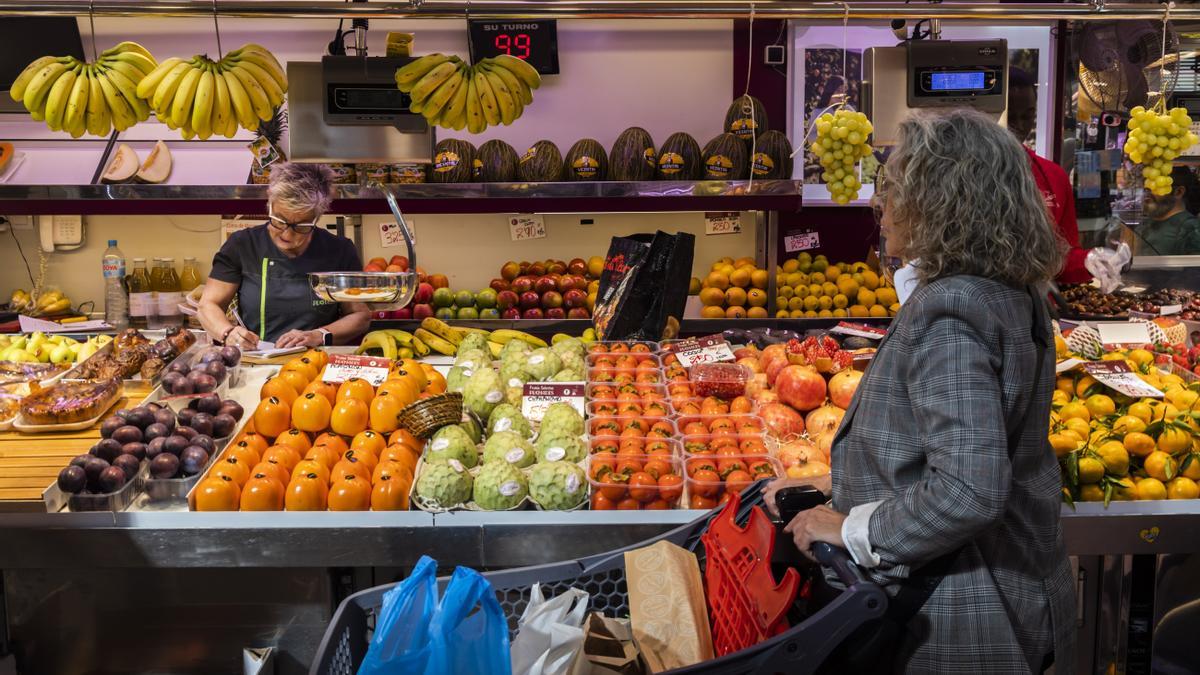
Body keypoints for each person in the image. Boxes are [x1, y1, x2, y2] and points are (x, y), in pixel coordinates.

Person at [767, 108, 1076, 673]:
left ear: (943, 201)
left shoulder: (953, 310)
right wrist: (840, 478)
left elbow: (967, 491)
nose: (879, 205)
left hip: (963, 610)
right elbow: (979, 440)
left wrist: (850, 525)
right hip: (1021, 581)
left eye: (896, 188)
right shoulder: (1013, 291)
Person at [198, 163, 370, 350]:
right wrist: (228, 333)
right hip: (256, 360)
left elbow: (360, 316)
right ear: (270, 206)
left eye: (301, 226)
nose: (287, 235)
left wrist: (319, 335)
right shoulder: (242, 245)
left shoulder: (340, 250)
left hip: (317, 360)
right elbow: (208, 305)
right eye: (279, 221)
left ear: (317, 217)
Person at [1008, 67, 1091, 283]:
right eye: (1009, 117)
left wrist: (1092, 262)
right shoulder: (961, 176)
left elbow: (1064, 256)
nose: (1018, 126)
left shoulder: (1052, 176)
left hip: (1039, 307)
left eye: (1027, 116)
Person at [1138, 165, 1200, 255]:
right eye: (1146, 189)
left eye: (1156, 187)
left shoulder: (1191, 229)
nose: (1147, 194)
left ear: (1178, 192)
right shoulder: (1147, 223)